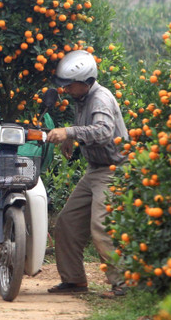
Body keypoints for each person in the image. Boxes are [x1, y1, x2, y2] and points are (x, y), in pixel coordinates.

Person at [44, 50, 129, 298]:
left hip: (114, 171)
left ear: (86, 81)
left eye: (70, 85)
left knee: (102, 226)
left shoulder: (100, 99)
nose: (66, 90)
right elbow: (87, 129)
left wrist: (69, 133)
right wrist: (70, 140)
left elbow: (103, 132)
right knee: (67, 224)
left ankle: (123, 284)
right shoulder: (82, 99)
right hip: (95, 171)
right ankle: (74, 281)